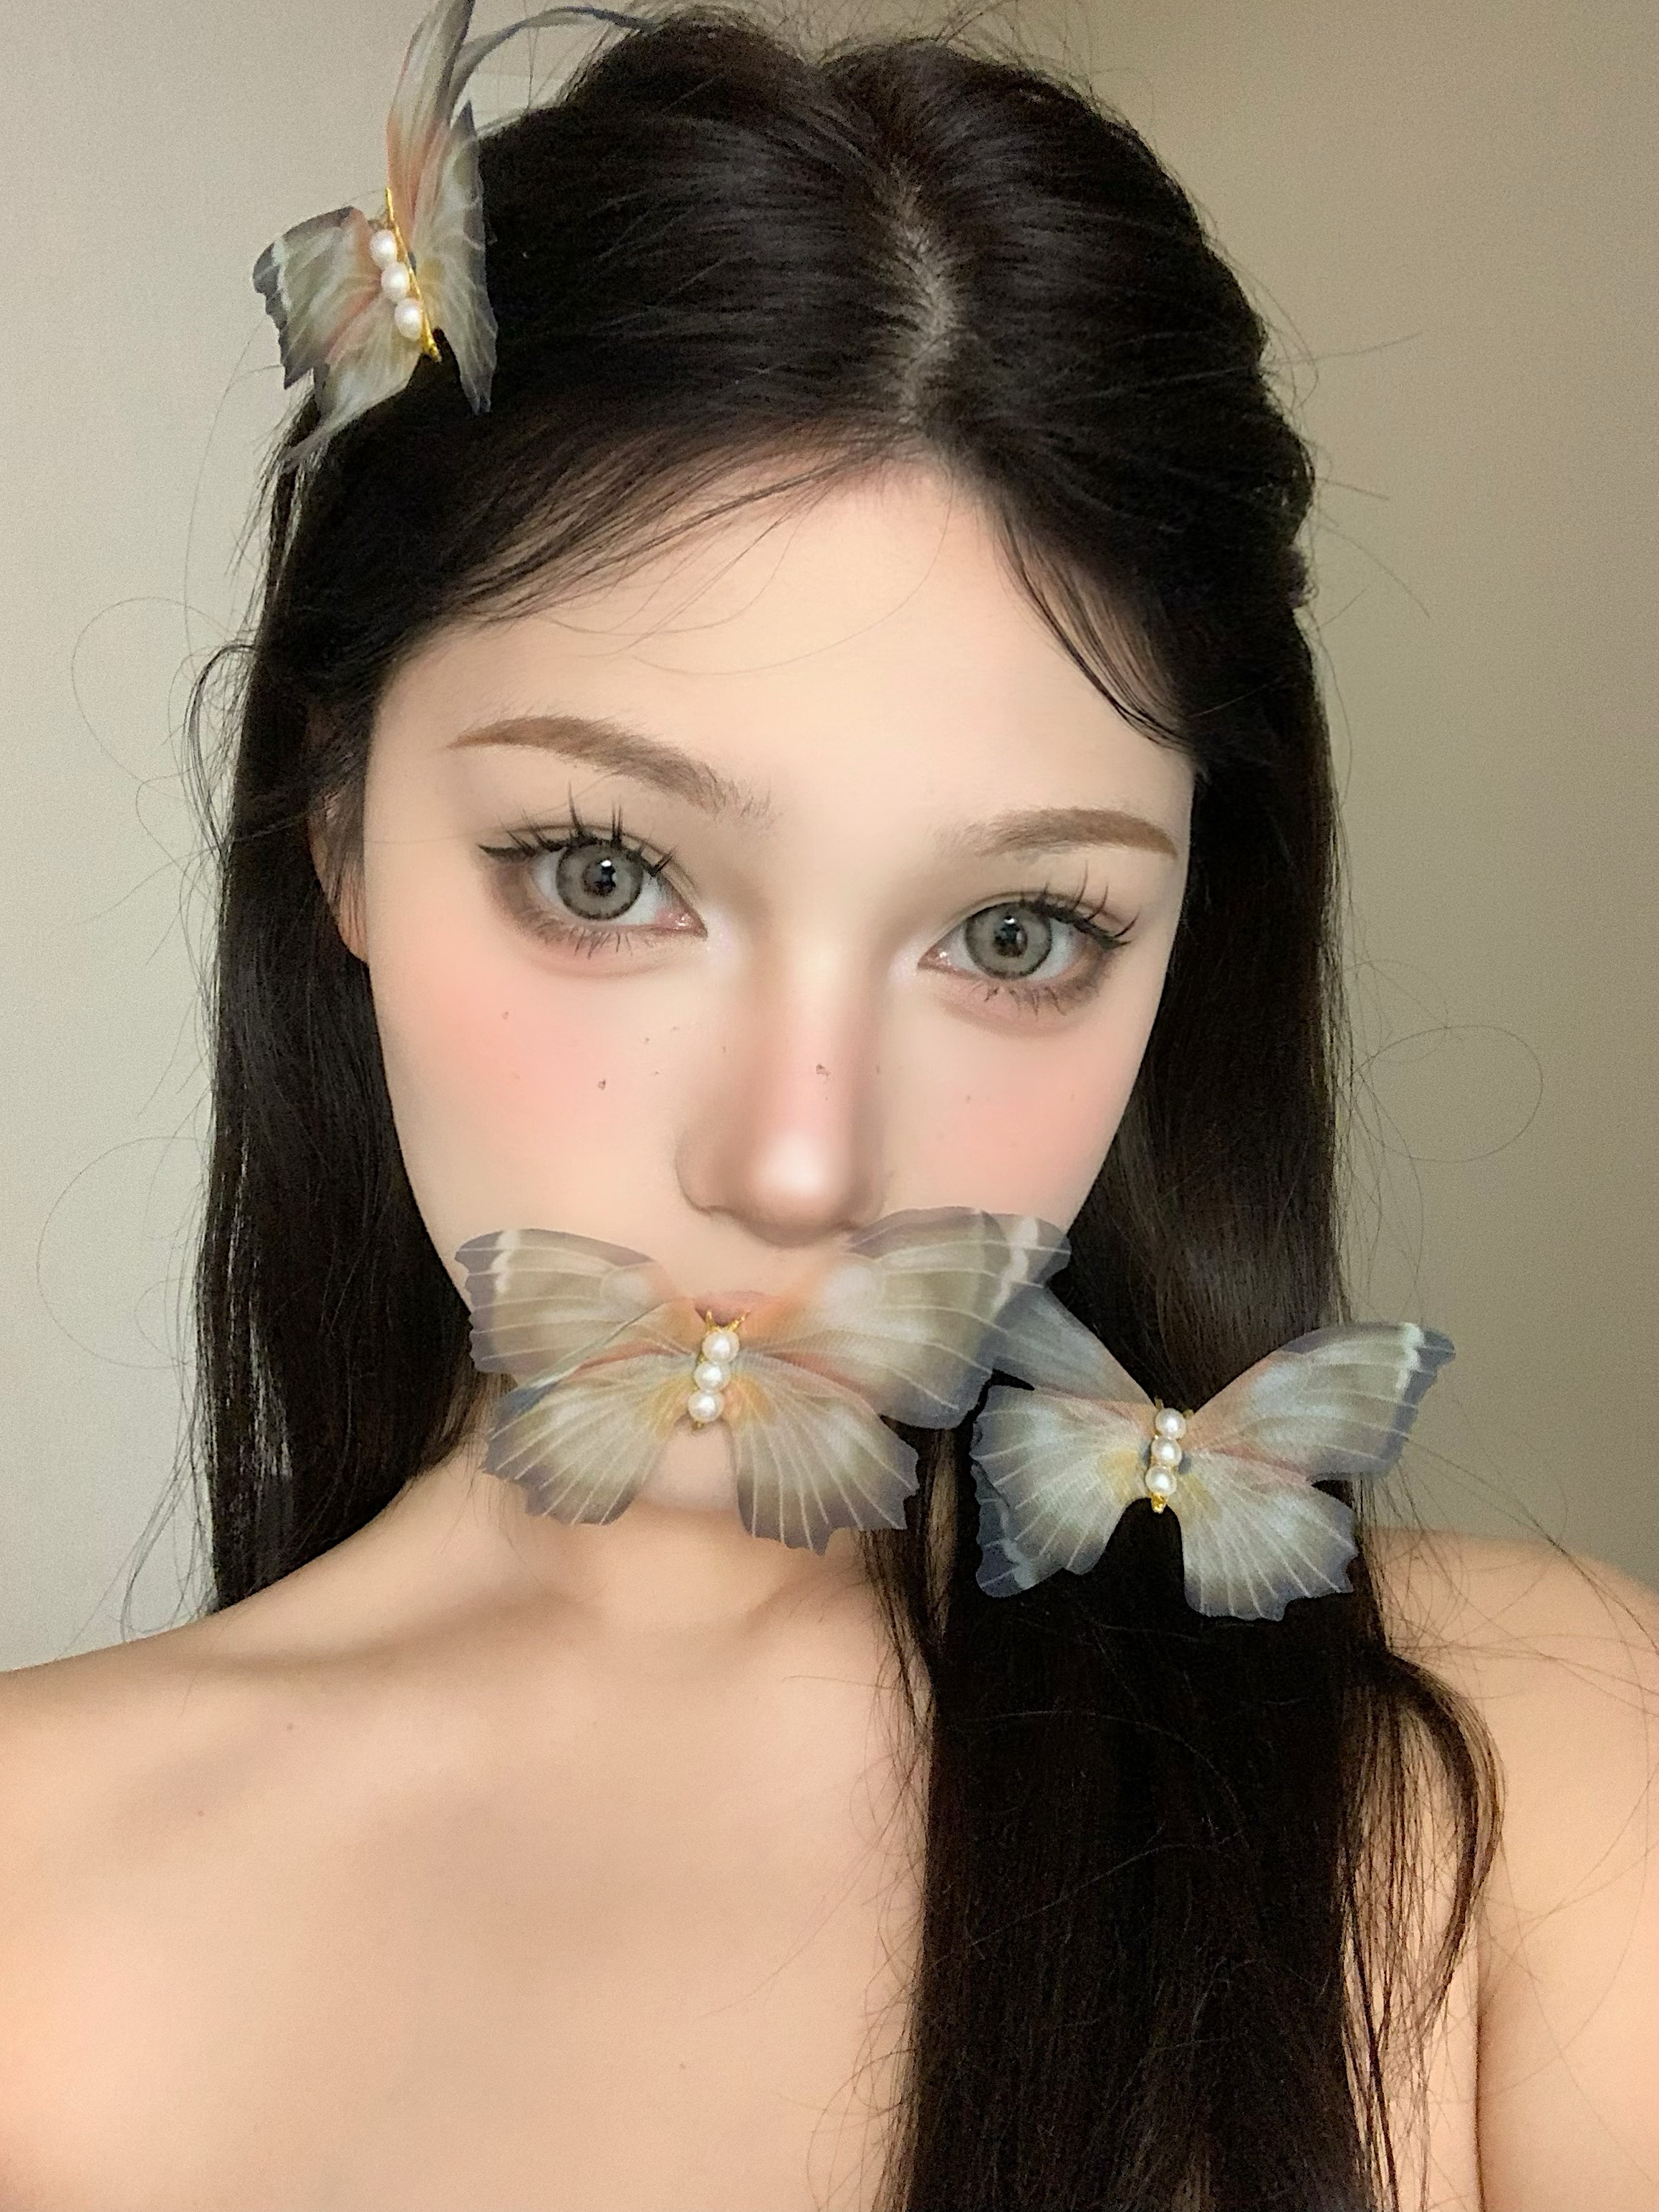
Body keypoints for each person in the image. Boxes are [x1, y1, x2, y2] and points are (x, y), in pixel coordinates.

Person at [0, 6, 1652, 2207]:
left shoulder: (1529, 1779)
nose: (797, 1168)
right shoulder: (33, 1896)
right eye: (607, 876)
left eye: (1014, 933)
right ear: (337, 832)